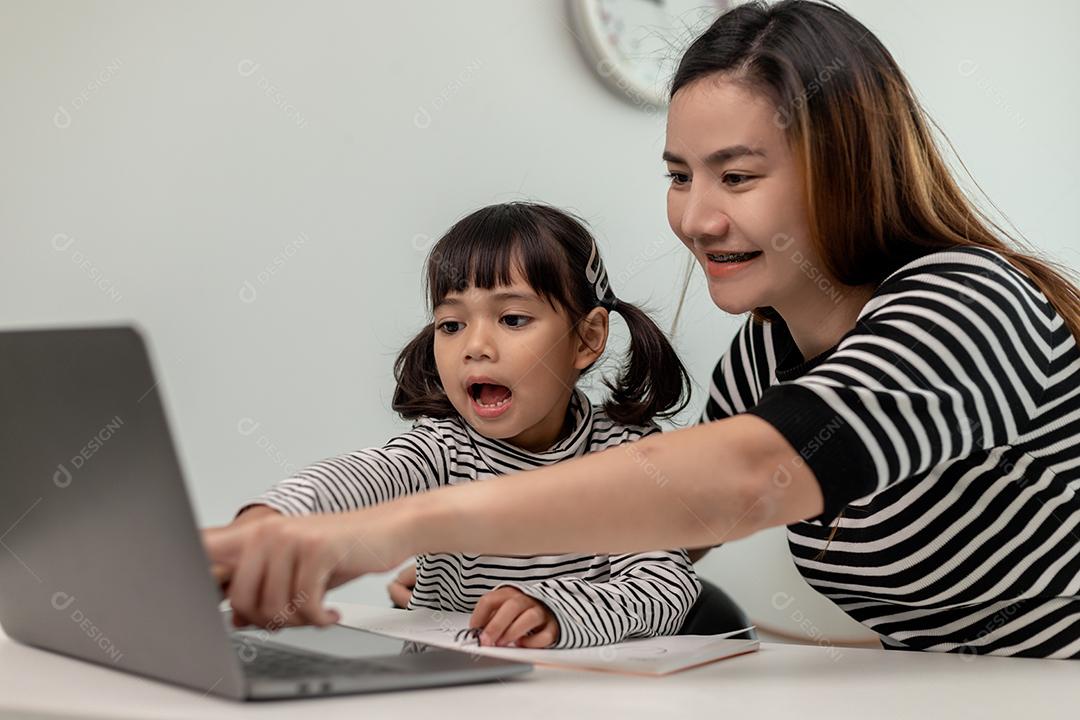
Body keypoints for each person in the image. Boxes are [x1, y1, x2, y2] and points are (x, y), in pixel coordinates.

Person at [205, 0, 1080, 658]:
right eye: (678, 176)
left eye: (736, 178)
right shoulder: (763, 359)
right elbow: (663, 526)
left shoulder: (968, 303)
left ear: (846, 168)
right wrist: (297, 530)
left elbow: (748, 477)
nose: (695, 219)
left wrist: (379, 533)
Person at [220, 201, 701, 649]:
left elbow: (665, 585)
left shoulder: (625, 452)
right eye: (451, 325)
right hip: (444, 689)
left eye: (512, 319)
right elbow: (364, 477)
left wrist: (556, 611)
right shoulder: (443, 448)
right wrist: (272, 517)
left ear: (587, 338)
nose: (475, 346)